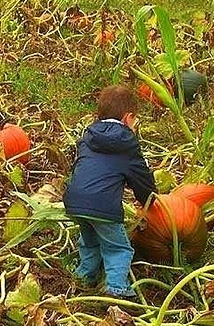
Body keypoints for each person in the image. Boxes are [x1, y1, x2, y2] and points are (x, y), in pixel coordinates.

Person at [63, 85, 156, 298]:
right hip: (103, 205)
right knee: (118, 248)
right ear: (128, 117)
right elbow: (140, 176)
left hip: (75, 200)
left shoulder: (88, 137)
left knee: (90, 240)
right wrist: (149, 199)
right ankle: (115, 288)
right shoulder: (127, 143)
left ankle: (83, 276)